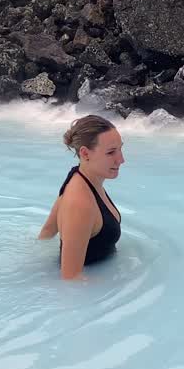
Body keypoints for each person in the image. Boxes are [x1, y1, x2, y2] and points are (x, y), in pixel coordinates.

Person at [38, 115, 125, 280]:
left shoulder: (80, 177)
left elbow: (47, 232)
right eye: (111, 152)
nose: (121, 159)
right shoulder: (80, 204)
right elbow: (71, 279)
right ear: (85, 153)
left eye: (120, 149)